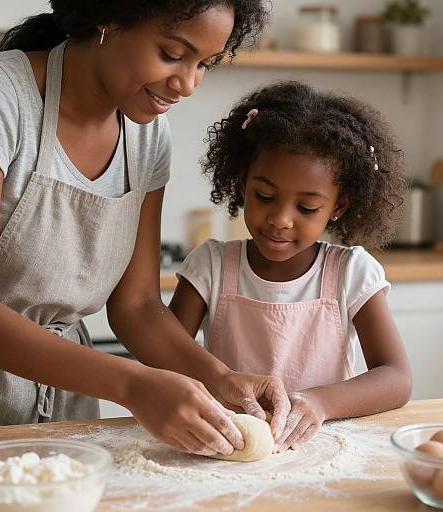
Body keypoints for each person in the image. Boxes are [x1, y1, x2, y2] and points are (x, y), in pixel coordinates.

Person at [0, 0, 292, 457]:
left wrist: (219, 378)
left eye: (204, 64)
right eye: (173, 54)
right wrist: (133, 386)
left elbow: (136, 306)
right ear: (109, 17)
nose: (188, 84)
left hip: (64, 412)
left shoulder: (148, 135)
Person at [169, 81, 413, 453]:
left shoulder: (349, 272)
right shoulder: (212, 266)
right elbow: (165, 359)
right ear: (241, 184)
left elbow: (396, 378)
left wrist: (320, 402)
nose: (281, 219)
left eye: (307, 207)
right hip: (226, 449)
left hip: (323, 447)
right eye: (265, 197)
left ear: (338, 207)